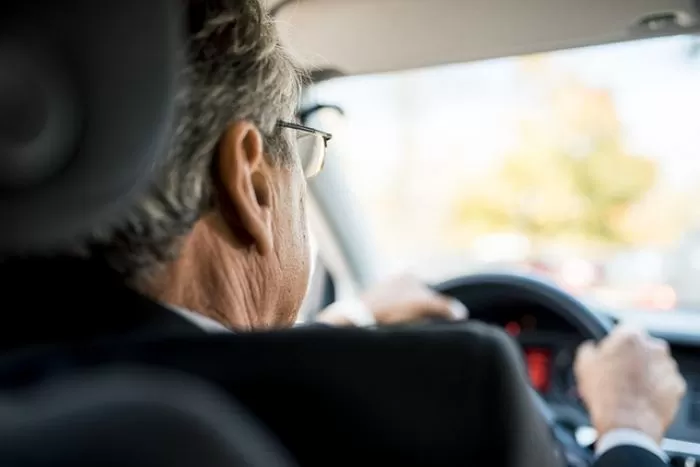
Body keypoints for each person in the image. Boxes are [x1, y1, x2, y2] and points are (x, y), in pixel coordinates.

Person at [4, 0, 684, 465]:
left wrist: (345, 321)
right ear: (250, 178)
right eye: (304, 151)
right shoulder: (453, 397)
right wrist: (628, 424)